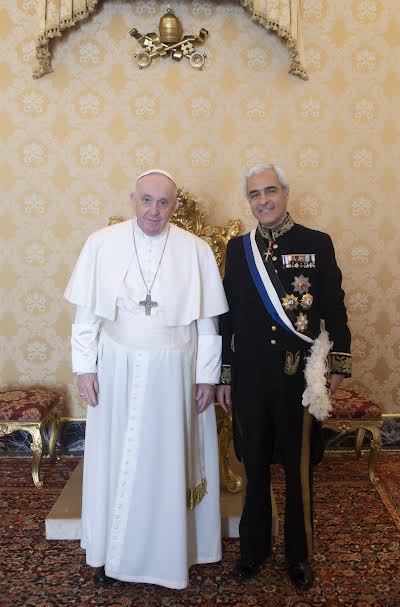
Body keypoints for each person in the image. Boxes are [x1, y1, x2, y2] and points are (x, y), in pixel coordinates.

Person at [65, 169, 228, 590]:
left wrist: (206, 377)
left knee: (167, 462)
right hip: (116, 368)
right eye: (147, 200)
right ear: (132, 200)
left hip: (174, 372)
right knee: (116, 460)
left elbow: (208, 323)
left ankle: (173, 556)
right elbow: (87, 315)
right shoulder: (102, 244)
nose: (154, 210)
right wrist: (85, 367)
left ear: (175, 206)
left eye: (163, 202)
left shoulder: (195, 250)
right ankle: (110, 553)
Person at [217, 163, 351, 589]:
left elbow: (334, 305)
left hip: (298, 376)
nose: (263, 201)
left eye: (270, 191)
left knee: (298, 467)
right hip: (250, 376)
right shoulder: (239, 249)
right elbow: (227, 316)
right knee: (254, 465)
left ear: (285, 194)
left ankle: (299, 554)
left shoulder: (316, 243)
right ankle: (253, 551)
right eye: (254, 194)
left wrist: (339, 362)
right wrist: (224, 374)